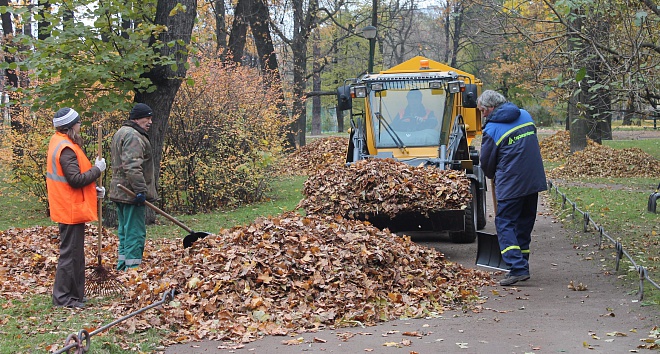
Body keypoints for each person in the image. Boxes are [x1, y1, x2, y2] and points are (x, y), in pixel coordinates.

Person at [478, 90, 547, 286]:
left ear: (491, 108)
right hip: (533, 179)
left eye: (483, 110)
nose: (482, 114)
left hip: (512, 183)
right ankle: (521, 263)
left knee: (504, 222)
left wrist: (492, 174)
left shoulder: (492, 130)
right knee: (524, 223)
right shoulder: (525, 115)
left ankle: (517, 268)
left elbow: (487, 161)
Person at [46, 107, 106, 308]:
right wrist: (97, 170)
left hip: (69, 205)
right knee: (70, 255)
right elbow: (75, 180)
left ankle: (75, 295)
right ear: (71, 126)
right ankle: (63, 298)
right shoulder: (66, 149)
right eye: (78, 123)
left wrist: (94, 189)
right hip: (69, 208)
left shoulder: (62, 143)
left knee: (75, 254)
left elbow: (73, 179)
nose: (81, 126)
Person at [108, 103, 157, 271]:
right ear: (136, 118)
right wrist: (140, 190)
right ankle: (133, 270)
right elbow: (132, 166)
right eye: (147, 118)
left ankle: (122, 267)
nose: (150, 122)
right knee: (134, 233)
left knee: (124, 232)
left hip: (120, 190)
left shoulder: (121, 132)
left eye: (151, 118)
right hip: (130, 193)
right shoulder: (134, 136)